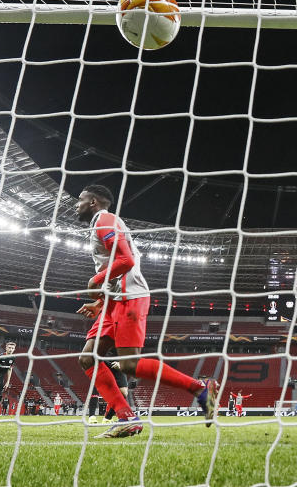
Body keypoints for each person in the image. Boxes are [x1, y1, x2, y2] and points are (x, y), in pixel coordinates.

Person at [73, 184, 216, 438]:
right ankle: (126, 417)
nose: (76, 204)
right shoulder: (101, 222)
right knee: (88, 358)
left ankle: (199, 388)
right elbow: (119, 266)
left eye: (80, 200)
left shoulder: (104, 220)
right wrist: (99, 301)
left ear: (93, 202)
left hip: (130, 296)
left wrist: (96, 280)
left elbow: (126, 260)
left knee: (129, 365)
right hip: (114, 299)